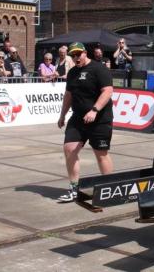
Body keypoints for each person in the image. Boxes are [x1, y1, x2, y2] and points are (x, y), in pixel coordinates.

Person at [57, 42, 114, 202]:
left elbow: (108, 91)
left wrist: (94, 110)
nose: (76, 57)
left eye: (78, 54)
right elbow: (68, 95)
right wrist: (62, 115)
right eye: (72, 55)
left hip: (100, 119)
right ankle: (74, 188)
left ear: (85, 53)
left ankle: (109, 188)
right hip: (78, 118)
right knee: (69, 148)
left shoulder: (99, 69)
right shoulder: (73, 73)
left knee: (101, 154)